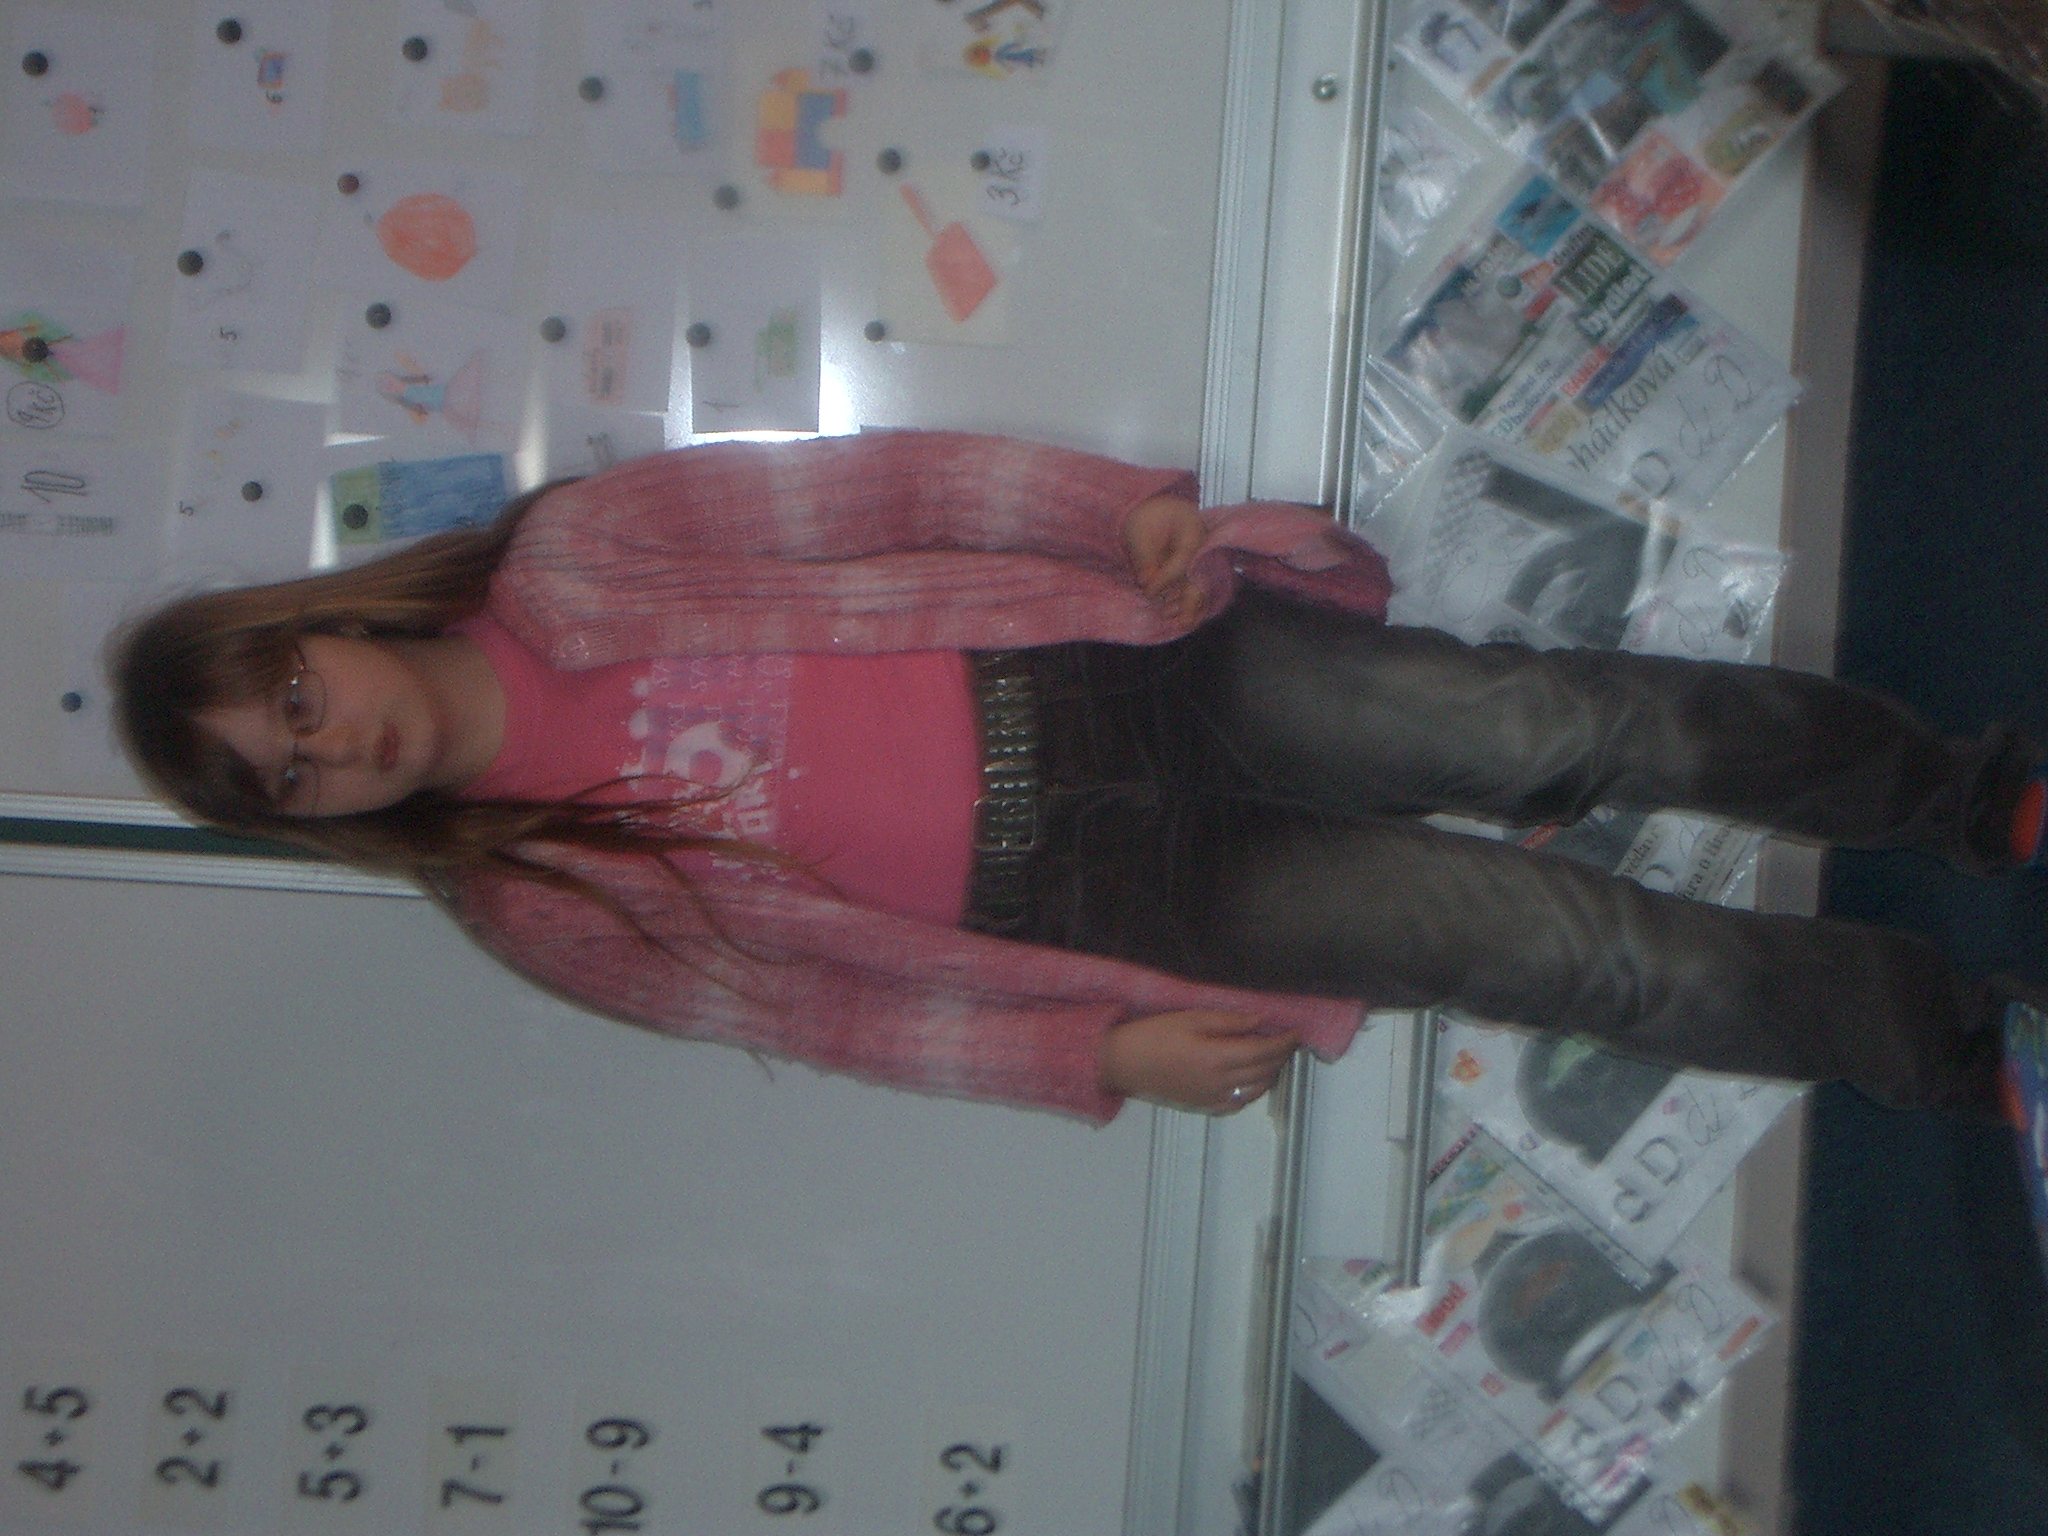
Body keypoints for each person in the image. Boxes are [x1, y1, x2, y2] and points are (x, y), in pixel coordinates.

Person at [113, 430, 2037, 1124]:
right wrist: (1090, 1055)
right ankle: (1962, 1049)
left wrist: (1111, 515)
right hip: (1106, 899)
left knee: (1552, 725)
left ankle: (1954, 797)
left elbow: (894, 485)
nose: (329, 741)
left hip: (1136, 676)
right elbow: (827, 1013)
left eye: (295, 692)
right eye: (288, 778)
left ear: (325, 620)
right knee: (1560, 951)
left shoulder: (584, 549)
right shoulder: (534, 906)